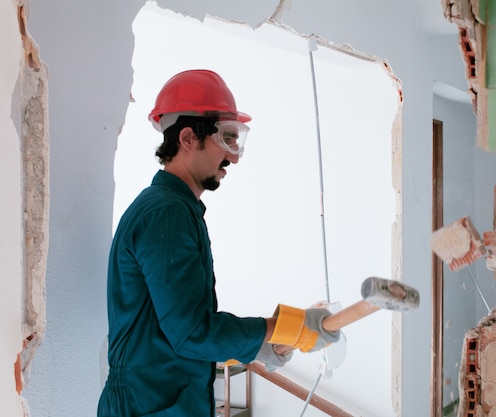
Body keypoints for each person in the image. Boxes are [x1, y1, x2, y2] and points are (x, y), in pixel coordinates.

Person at [97, 69, 340, 417]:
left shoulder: (177, 211)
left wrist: (271, 342)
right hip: (146, 405)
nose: (233, 157)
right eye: (226, 138)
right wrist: (286, 328)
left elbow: (189, 329)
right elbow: (192, 332)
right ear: (187, 138)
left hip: (161, 402)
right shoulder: (166, 214)